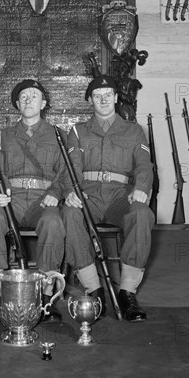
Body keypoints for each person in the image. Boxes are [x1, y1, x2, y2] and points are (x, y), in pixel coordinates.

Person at [62, 74, 154, 322]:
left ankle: (127, 293)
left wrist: (142, 187)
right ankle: (94, 288)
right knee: (70, 213)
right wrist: (71, 191)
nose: (103, 100)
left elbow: (144, 165)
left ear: (115, 97)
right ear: (90, 100)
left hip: (119, 195)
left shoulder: (134, 130)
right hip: (89, 193)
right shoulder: (78, 131)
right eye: (97, 96)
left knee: (142, 214)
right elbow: (72, 166)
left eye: (107, 95)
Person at [0, 79, 68, 323]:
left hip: (43, 198)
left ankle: (47, 294)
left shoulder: (59, 135)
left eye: (34, 96)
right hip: (12, 198)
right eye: (24, 97)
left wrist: (56, 193)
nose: (28, 100)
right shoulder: (3, 137)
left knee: (53, 224)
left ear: (44, 103)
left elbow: (67, 172)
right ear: (17, 104)